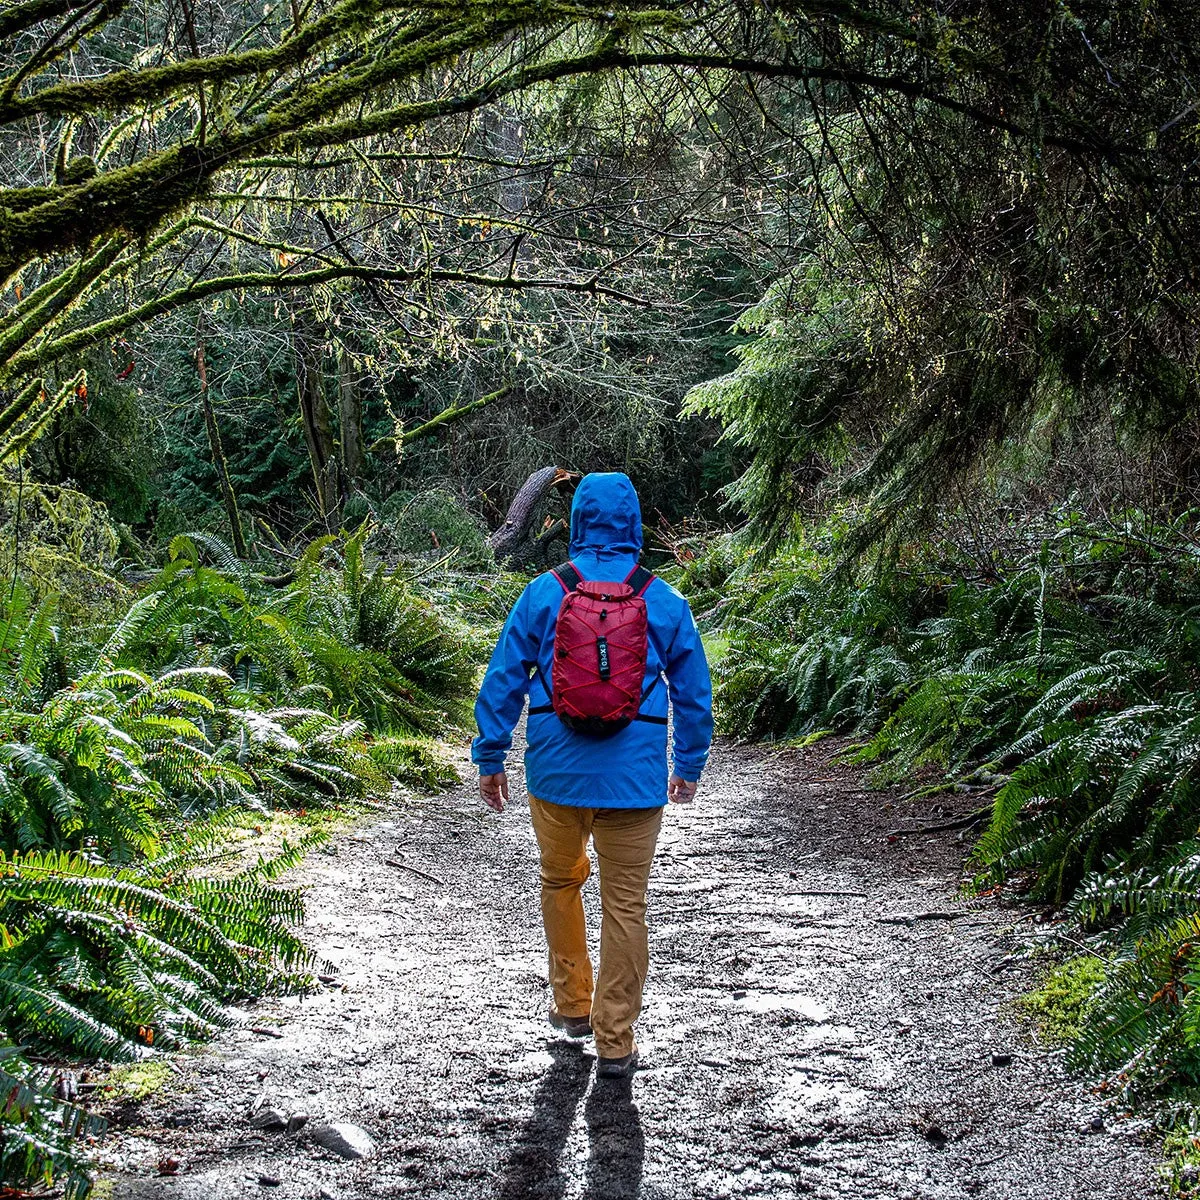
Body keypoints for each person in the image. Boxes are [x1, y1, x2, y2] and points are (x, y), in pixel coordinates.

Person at [473, 471, 713, 1079]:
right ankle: (615, 1040)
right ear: (633, 525)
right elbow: (693, 694)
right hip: (633, 781)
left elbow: (504, 677)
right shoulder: (664, 600)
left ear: (578, 522)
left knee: (560, 882)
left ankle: (572, 1007)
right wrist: (687, 764)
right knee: (625, 904)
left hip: (554, 772)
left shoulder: (543, 594)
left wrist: (491, 754)